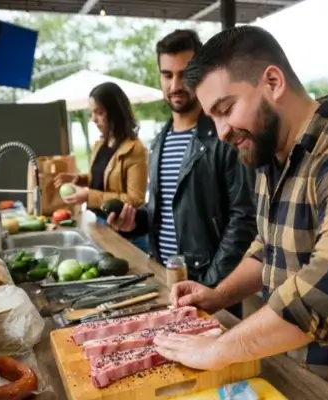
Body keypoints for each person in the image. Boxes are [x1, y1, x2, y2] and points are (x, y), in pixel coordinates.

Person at [150, 26, 328, 399]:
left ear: (273, 82)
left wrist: (218, 349)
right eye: (212, 117)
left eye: (226, 109)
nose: (222, 131)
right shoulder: (271, 156)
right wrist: (218, 294)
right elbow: (268, 249)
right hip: (295, 381)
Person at [106, 29, 257, 319]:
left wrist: (210, 285)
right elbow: (165, 211)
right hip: (165, 279)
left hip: (212, 287)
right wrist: (135, 223)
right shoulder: (159, 140)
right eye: (167, 74)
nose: (175, 84)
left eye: (185, 73)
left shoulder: (224, 136)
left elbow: (244, 219)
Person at [54, 82, 149, 252]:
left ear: (116, 113)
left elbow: (135, 199)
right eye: (92, 113)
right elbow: (100, 179)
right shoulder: (100, 145)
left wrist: (89, 196)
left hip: (127, 234)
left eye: (99, 112)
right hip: (101, 224)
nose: (93, 119)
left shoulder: (136, 149)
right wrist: (78, 179)